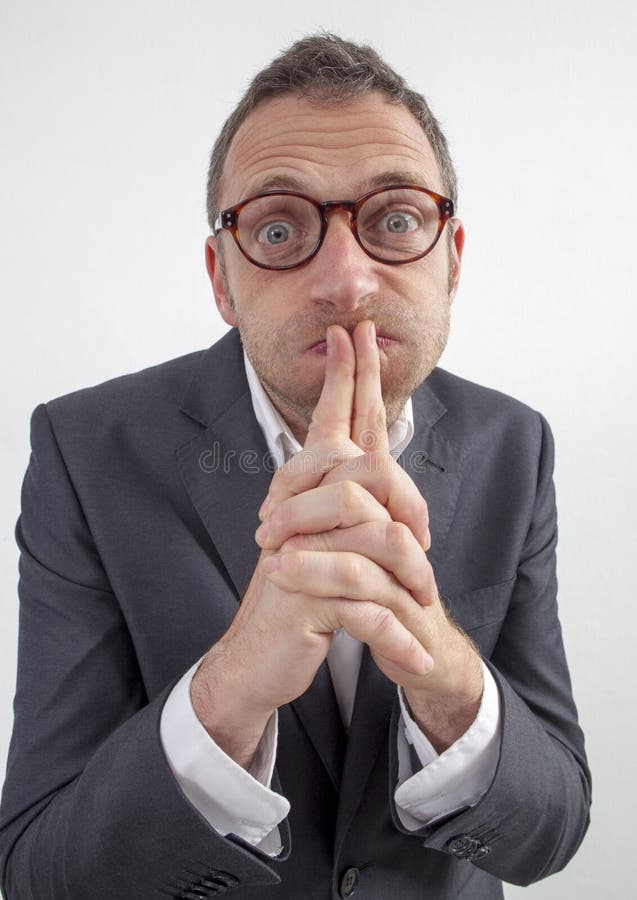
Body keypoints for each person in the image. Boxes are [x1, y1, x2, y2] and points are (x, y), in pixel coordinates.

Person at [0, 33, 590, 900]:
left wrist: (440, 668)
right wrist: (229, 690)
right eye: (279, 228)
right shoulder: (86, 451)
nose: (346, 280)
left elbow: (549, 834)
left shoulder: (514, 443)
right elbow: (38, 872)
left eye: (394, 220)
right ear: (221, 278)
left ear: (452, 256)